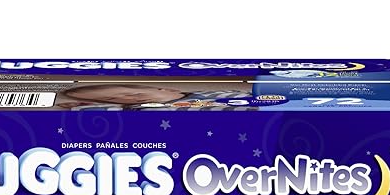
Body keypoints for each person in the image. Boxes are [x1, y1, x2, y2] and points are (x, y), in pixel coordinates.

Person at [55, 82, 253, 110]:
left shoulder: (208, 92)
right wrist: (83, 106)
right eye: (115, 98)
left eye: (135, 93)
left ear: (163, 89)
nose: (132, 98)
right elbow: (119, 111)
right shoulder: (152, 109)